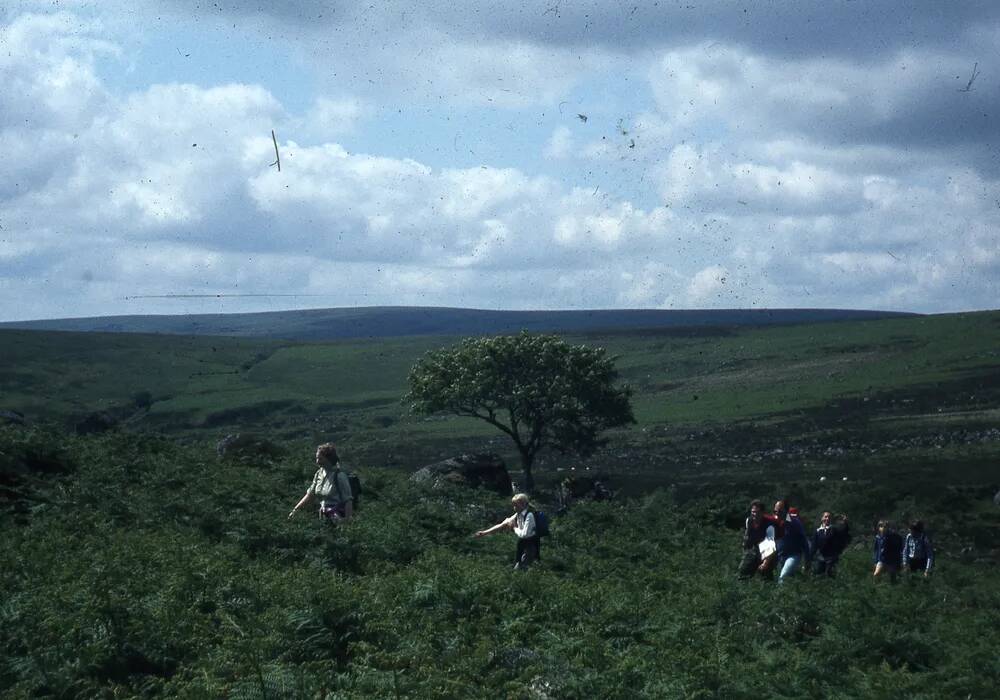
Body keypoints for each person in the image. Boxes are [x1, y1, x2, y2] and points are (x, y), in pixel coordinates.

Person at [288, 443, 354, 522]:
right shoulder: (319, 473)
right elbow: (310, 495)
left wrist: (347, 521)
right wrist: (295, 511)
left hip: (337, 518)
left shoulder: (340, 476)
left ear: (328, 459)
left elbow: (348, 500)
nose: (317, 461)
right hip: (323, 516)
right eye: (317, 458)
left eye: (320, 459)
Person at [475, 493, 540, 570]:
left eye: (516, 505)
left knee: (522, 569)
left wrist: (514, 528)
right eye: (514, 505)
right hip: (522, 544)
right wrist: (484, 532)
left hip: (531, 545)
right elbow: (502, 524)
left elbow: (524, 535)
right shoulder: (517, 515)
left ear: (523, 505)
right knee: (520, 567)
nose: (514, 508)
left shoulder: (530, 515)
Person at [809, 511, 852, 577]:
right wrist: (809, 559)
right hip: (821, 557)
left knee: (829, 574)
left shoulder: (834, 529)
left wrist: (845, 523)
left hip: (832, 557)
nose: (827, 518)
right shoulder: (817, 531)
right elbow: (814, 546)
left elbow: (844, 532)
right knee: (818, 574)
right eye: (825, 517)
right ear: (822, 518)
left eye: (829, 517)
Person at [739, 500, 772, 579]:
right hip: (753, 550)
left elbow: (771, 546)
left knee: (765, 576)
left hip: (767, 552)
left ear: (763, 512)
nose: (755, 514)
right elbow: (747, 536)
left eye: (758, 512)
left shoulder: (769, 526)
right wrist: (745, 552)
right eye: (753, 512)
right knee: (743, 571)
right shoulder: (749, 520)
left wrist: (765, 563)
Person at [776, 506, 809, 583]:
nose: (794, 518)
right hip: (780, 555)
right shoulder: (779, 523)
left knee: (782, 577)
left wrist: (807, 560)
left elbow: (804, 542)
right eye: (791, 516)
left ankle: (778, 593)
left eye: (795, 516)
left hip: (794, 555)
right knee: (789, 577)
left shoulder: (797, 524)